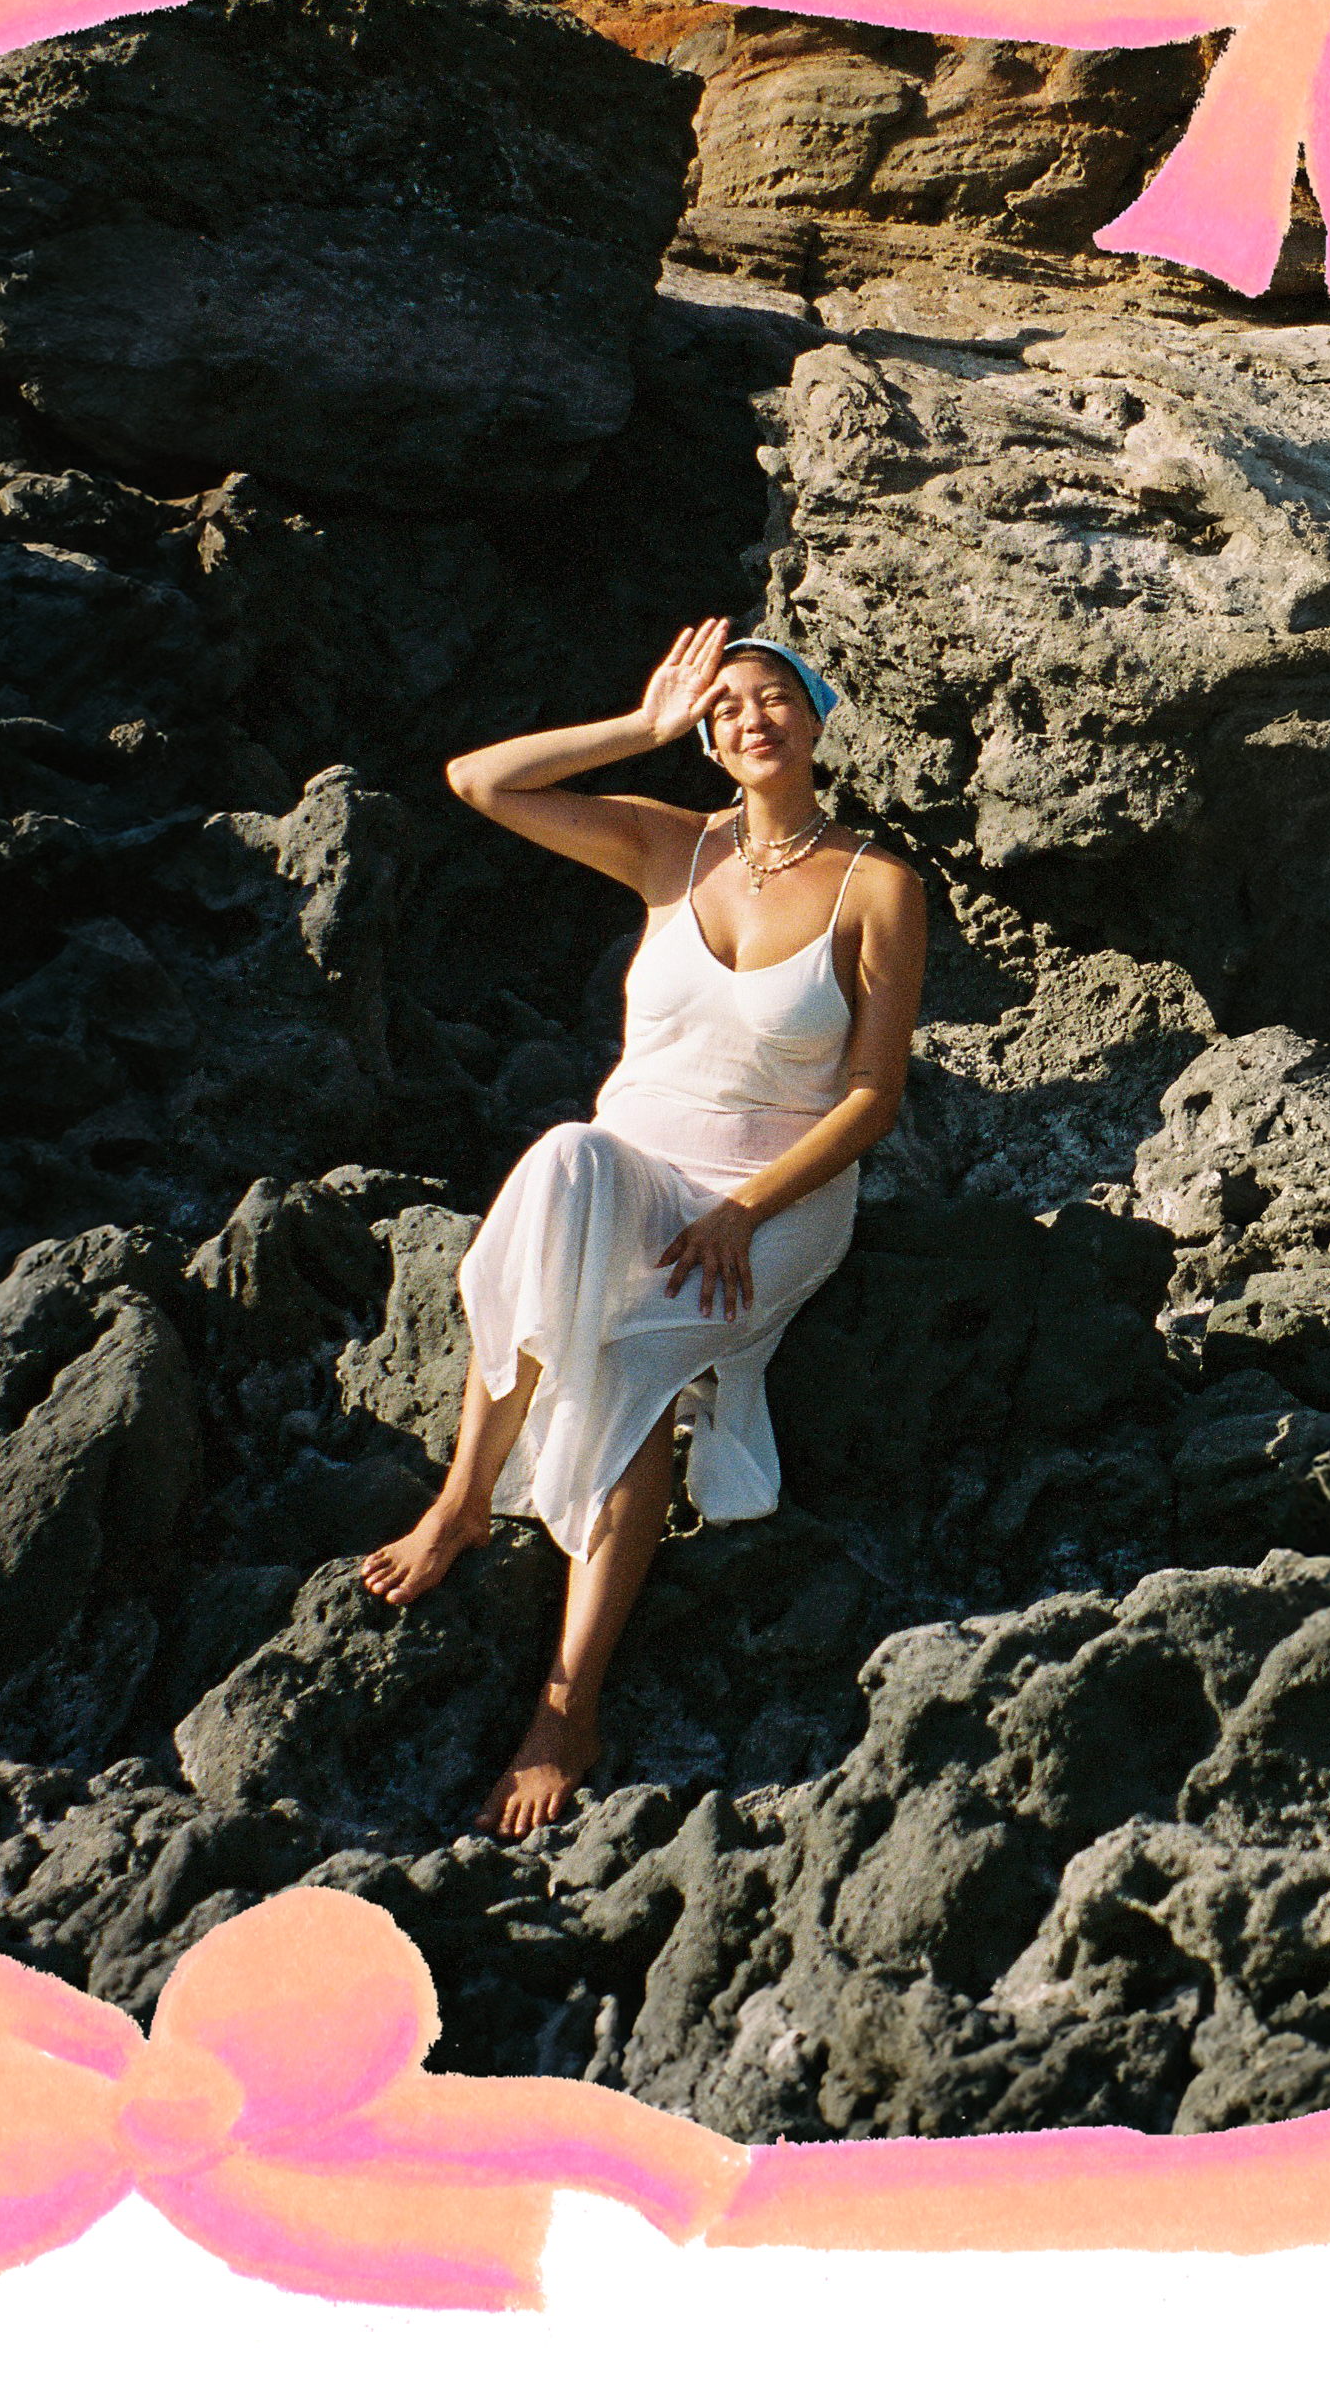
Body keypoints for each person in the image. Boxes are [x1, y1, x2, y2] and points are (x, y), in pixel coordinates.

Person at [359, 616, 928, 1838]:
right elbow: (480, 781)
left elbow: (874, 1096)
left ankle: (569, 1703)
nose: (749, 717)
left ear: (819, 718)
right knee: (562, 1156)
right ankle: (464, 1500)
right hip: (635, 1165)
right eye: (724, 706)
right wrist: (641, 726)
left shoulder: (880, 884)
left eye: (774, 695)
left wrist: (744, 1206)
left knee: (624, 1366)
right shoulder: (672, 848)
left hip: (769, 1197)